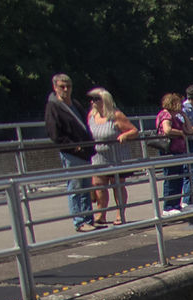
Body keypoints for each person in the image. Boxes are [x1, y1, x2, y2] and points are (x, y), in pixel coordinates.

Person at [44, 74, 96, 232]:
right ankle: (79, 221)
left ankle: (88, 218)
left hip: (84, 152)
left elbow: (85, 125)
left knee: (86, 186)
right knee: (75, 187)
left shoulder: (75, 104)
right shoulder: (53, 106)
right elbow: (55, 134)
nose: (66, 89)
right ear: (55, 87)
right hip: (72, 153)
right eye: (62, 86)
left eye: (68, 86)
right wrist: (74, 147)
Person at [85, 88, 136, 226]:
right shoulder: (91, 116)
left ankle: (120, 214)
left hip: (116, 157)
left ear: (104, 100)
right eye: (92, 99)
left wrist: (125, 135)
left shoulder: (116, 115)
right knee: (99, 186)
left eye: (96, 99)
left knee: (117, 186)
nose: (93, 102)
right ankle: (101, 214)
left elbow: (134, 130)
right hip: (98, 157)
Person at [155, 92, 188, 213]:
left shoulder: (175, 117)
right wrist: (180, 133)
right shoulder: (166, 114)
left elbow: (188, 129)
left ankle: (176, 204)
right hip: (170, 151)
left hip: (178, 151)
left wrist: (184, 115)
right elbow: (167, 130)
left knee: (178, 178)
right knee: (171, 178)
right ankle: (168, 207)